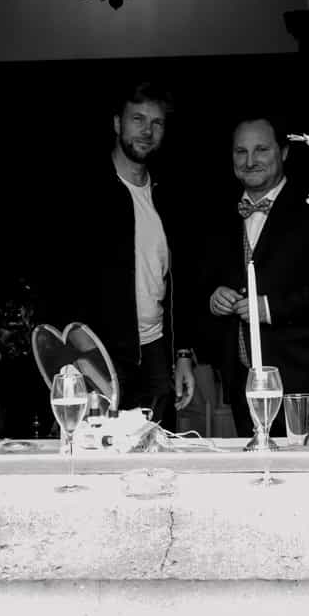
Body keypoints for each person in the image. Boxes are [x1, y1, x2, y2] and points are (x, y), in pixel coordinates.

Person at [200, 113, 309, 436]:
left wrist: (270, 307)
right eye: (241, 152)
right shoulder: (217, 215)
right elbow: (201, 280)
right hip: (241, 383)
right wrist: (214, 298)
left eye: (261, 150)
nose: (250, 161)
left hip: (304, 380)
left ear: (283, 153)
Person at [61, 82, 196, 426]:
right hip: (101, 355)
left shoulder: (169, 196)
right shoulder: (83, 191)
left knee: (158, 454)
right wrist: (83, 352)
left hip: (156, 353)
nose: (147, 131)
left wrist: (182, 355)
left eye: (157, 123)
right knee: (103, 458)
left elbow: (182, 283)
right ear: (118, 123)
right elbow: (57, 274)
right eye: (138, 119)